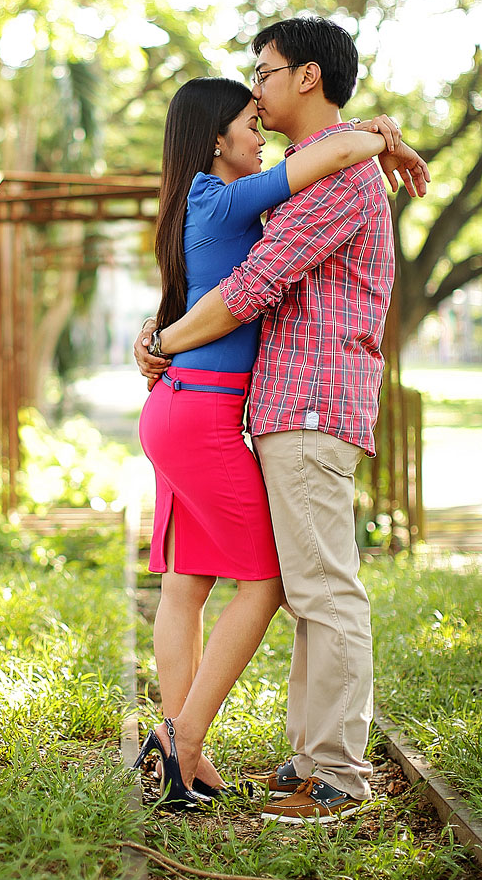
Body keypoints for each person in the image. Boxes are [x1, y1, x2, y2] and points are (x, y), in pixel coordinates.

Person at [132, 57, 428, 812]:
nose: (257, 120)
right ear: (214, 139)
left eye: (261, 82)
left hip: (188, 406)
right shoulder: (230, 199)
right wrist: (377, 133)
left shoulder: (202, 200)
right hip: (202, 407)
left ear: (307, 73)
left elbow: (325, 157)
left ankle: (185, 751)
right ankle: (184, 741)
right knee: (267, 579)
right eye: (245, 118)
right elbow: (249, 284)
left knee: (188, 581)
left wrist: (373, 134)